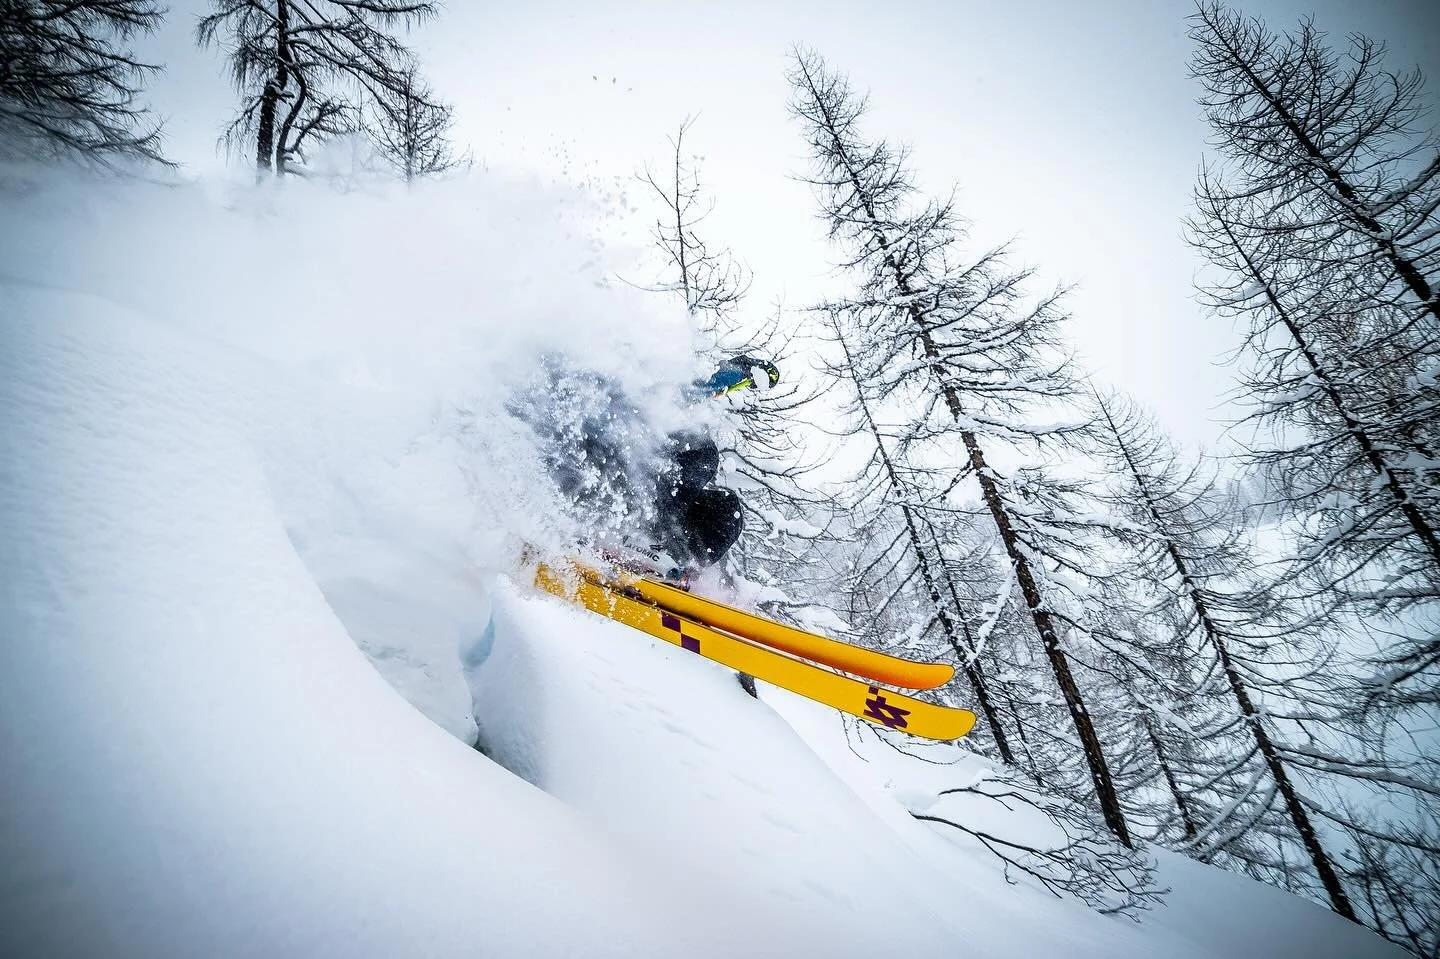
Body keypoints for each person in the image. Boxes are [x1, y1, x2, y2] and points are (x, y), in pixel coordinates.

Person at [513, 352, 780, 580]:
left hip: (640, 492)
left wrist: (741, 372)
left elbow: (697, 390)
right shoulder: (575, 396)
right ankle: (646, 541)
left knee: (725, 506)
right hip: (593, 484)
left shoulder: (643, 398)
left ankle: (674, 557)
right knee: (700, 452)